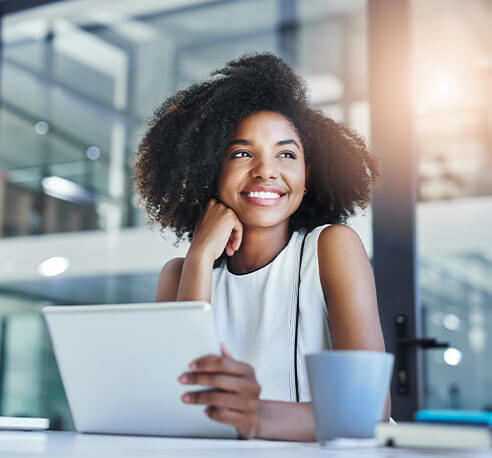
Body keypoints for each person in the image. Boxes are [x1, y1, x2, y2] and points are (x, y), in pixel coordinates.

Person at [134, 52, 389, 441]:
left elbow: (368, 409)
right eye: (241, 153)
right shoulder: (179, 274)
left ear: (306, 177)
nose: (266, 170)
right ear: (209, 171)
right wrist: (200, 257)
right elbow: (180, 407)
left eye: (286, 154)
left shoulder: (331, 248)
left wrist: (255, 417)